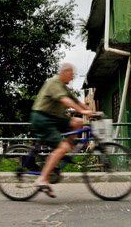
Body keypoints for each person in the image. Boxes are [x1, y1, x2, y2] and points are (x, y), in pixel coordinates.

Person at [30, 62, 96, 198]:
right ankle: (42, 179)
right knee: (62, 147)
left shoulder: (64, 87)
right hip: (42, 118)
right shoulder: (54, 82)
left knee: (78, 122)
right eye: (71, 75)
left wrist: (92, 111)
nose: (72, 78)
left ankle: (66, 149)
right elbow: (66, 101)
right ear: (64, 72)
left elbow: (76, 101)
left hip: (55, 118)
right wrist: (83, 111)